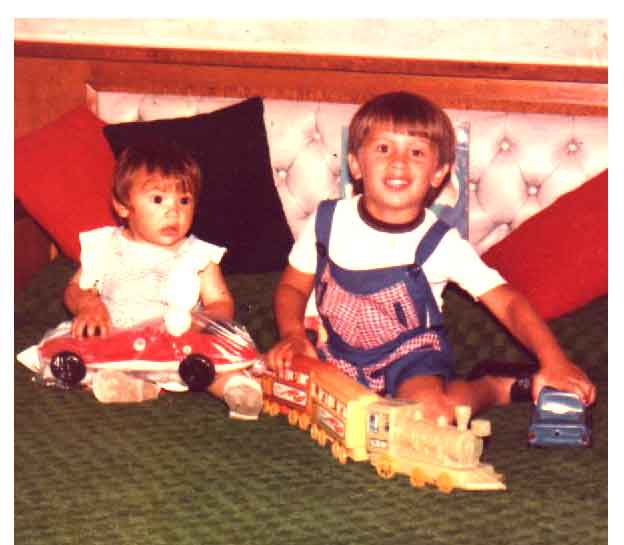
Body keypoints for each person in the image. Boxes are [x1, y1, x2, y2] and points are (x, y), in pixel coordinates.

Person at [266, 91, 596, 424]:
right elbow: (293, 287)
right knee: (277, 382)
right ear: (355, 164)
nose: (399, 162)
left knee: (431, 415)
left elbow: (508, 302)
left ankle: (493, 387)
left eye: (416, 152)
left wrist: (554, 360)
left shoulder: (441, 244)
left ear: (438, 173)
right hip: (335, 351)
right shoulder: (327, 221)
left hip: (411, 360)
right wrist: (293, 335)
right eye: (383, 148)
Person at [63, 140, 262, 419]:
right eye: (158, 200)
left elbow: (220, 301)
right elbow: (74, 288)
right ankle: (138, 387)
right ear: (123, 206)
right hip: (121, 341)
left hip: (178, 343)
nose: (174, 211)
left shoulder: (197, 255)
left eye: (184, 200)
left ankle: (236, 388)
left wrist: (201, 322)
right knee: (86, 360)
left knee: (211, 364)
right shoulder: (106, 246)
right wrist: (88, 305)